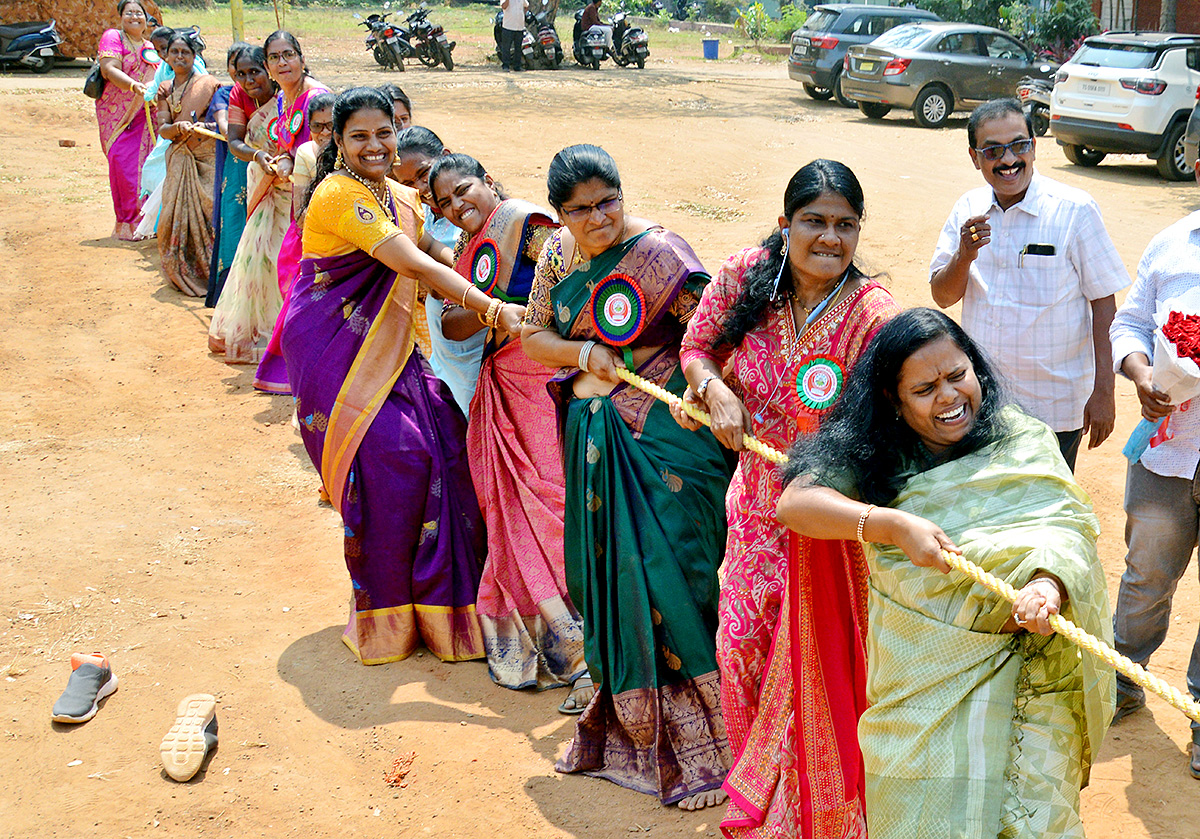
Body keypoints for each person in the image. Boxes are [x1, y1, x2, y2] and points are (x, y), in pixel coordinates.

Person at [777, 308, 1114, 839]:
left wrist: (1047, 583)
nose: (950, 398)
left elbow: (1064, 529)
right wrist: (887, 523)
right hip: (921, 679)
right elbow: (795, 505)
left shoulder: (1021, 438)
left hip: (1031, 670)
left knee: (1031, 820)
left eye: (958, 376)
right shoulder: (874, 453)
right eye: (925, 389)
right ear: (893, 399)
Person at [675, 160, 900, 837]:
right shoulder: (747, 274)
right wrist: (712, 391)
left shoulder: (873, 315)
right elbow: (696, 346)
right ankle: (762, 790)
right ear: (785, 225)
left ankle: (815, 809)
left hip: (829, 523)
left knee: (818, 662)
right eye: (815, 221)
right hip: (752, 512)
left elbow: (887, 423)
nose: (830, 238)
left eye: (845, 225)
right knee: (742, 647)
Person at [281, 87, 525, 664]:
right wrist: (492, 310)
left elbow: (434, 251)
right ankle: (386, 618)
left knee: (450, 453)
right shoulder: (339, 195)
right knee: (396, 464)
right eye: (359, 136)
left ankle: (448, 614)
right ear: (337, 142)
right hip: (335, 351)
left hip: (400, 348)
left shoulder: (397, 194)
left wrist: (502, 283)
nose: (375, 145)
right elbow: (409, 261)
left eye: (384, 133)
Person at [522, 144, 732, 809]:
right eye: (579, 209)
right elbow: (532, 336)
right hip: (595, 434)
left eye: (606, 201)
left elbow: (711, 336)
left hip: (670, 438)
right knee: (606, 575)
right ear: (560, 213)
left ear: (622, 191)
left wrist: (704, 390)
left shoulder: (662, 253)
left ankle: (709, 731)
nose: (597, 218)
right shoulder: (557, 255)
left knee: (684, 567)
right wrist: (584, 351)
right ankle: (630, 728)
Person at [427, 153, 582, 693]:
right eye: (444, 201)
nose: (456, 204)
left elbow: (574, 266)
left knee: (552, 498)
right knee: (513, 507)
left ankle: (585, 642)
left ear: (489, 181)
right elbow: (450, 322)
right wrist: (495, 310)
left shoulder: (523, 224)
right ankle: (554, 634)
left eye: (463, 188)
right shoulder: (465, 255)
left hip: (541, 376)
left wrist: (542, 325)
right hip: (501, 380)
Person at [930, 97, 1129, 471]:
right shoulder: (968, 209)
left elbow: (1104, 302)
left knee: (1043, 515)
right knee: (987, 508)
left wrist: (1104, 391)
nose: (1008, 160)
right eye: (993, 150)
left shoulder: (1074, 210)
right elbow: (942, 295)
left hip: (1053, 406)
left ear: (1034, 148)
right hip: (983, 402)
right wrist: (963, 256)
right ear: (975, 157)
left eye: (1019, 145)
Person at [1108, 179, 1200, 777]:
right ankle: (1121, 679)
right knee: (1145, 578)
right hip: (1167, 456)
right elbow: (1130, 324)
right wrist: (1142, 375)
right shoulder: (1171, 246)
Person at [393, 126, 485, 413]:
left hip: (476, 338)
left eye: (423, 173)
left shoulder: (470, 210)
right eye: (408, 184)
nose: (420, 188)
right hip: (443, 347)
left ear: (444, 157)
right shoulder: (422, 219)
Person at [208, 44, 289, 365]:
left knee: (285, 254)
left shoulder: (288, 95)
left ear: (268, 69)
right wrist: (257, 155)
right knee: (261, 255)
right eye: (240, 74)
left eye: (254, 71)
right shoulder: (239, 97)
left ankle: (288, 326)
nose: (247, 79)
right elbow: (235, 140)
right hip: (262, 182)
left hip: (291, 182)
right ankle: (265, 328)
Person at [250, 91, 333, 388]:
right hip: (309, 241)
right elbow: (299, 212)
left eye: (331, 126)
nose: (325, 133)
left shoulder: (352, 151)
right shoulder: (308, 155)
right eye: (318, 126)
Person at [264, 31, 332, 319]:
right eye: (274, 57)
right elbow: (287, 146)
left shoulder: (316, 97)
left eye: (288, 54)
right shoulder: (283, 97)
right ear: (267, 67)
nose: (282, 62)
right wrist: (282, 160)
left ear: (302, 60)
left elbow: (324, 151)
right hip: (297, 190)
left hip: (320, 196)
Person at [155, 31, 221, 297]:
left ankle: (212, 275)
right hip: (180, 159)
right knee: (172, 217)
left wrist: (200, 126)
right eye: (175, 52)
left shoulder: (210, 85)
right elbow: (163, 128)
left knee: (210, 212)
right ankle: (183, 272)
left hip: (206, 159)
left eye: (186, 52)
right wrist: (178, 128)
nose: (180, 57)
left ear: (195, 57)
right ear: (166, 57)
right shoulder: (165, 89)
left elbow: (221, 122)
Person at [94, 0, 158, 241]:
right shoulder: (113, 38)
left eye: (139, 13)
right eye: (129, 13)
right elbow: (109, 69)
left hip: (148, 117)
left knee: (146, 169)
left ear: (146, 18)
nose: (134, 17)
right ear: (120, 17)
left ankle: (148, 223)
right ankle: (128, 224)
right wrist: (134, 86)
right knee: (123, 165)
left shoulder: (150, 45)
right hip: (119, 116)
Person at [205, 42, 253, 307]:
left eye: (252, 70)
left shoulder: (278, 95)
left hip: (269, 176)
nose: (246, 77)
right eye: (238, 69)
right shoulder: (227, 94)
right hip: (237, 169)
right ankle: (230, 299)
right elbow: (226, 129)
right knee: (234, 227)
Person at [499, 0, 529, 71]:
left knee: (518, 48)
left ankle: (517, 66)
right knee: (506, 47)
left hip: (519, 26)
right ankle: (506, 66)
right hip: (508, 26)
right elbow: (504, 6)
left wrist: (523, 14)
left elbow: (526, 5)